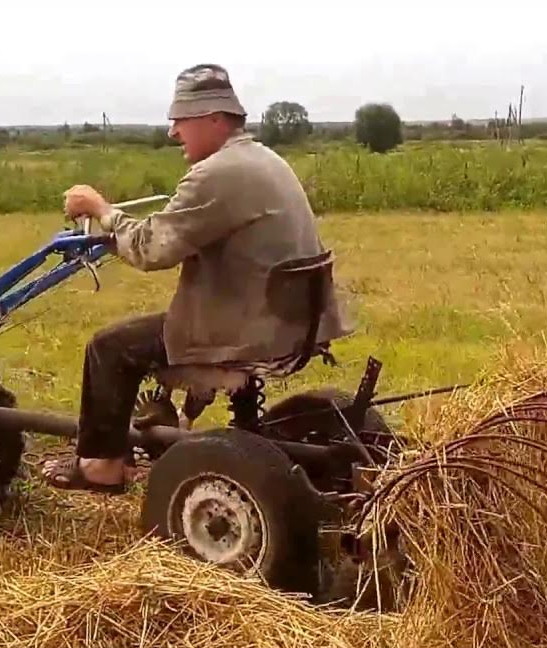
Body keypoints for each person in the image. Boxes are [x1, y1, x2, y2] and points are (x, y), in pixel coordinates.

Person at [43, 63, 350, 493]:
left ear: (214, 119)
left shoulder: (218, 172)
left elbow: (153, 248)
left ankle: (101, 468)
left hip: (250, 328)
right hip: (289, 319)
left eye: (180, 120)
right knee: (137, 336)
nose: (173, 132)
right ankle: (171, 427)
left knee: (109, 348)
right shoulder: (262, 159)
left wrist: (101, 211)